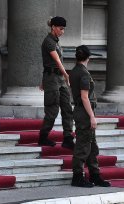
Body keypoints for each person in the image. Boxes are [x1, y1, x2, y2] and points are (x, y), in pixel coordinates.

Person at [69, 45, 110, 187]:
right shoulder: (84, 73)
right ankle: (77, 177)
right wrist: (92, 116)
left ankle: (95, 174)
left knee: (91, 145)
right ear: (89, 57)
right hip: (85, 113)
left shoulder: (74, 71)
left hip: (81, 111)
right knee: (83, 145)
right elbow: (85, 97)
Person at [38, 16, 74, 150]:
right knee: (52, 109)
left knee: (67, 108)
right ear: (53, 27)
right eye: (60, 28)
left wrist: (63, 76)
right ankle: (43, 137)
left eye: (64, 29)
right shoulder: (49, 42)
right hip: (53, 78)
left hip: (58, 78)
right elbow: (57, 62)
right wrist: (66, 75)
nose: (62, 31)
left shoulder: (56, 41)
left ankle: (68, 138)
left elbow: (51, 63)